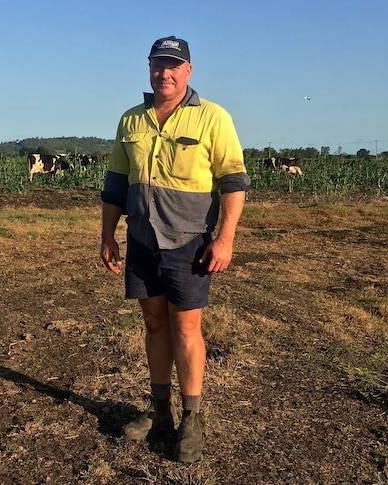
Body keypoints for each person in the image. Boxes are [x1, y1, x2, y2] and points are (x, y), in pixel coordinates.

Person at [100, 35, 249, 463]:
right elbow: (115, 184)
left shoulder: (212, 118)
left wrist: (225, 238)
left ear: (187, 71)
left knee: (185, 328)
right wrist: (108, 235)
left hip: (189, 244)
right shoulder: (132, 121)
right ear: (149, 68)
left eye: (173, 65)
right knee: (154, 325)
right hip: (143, 242)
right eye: (157, 64)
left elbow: (234, 181)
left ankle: (191, 418)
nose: (163, 72)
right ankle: (160, 413)